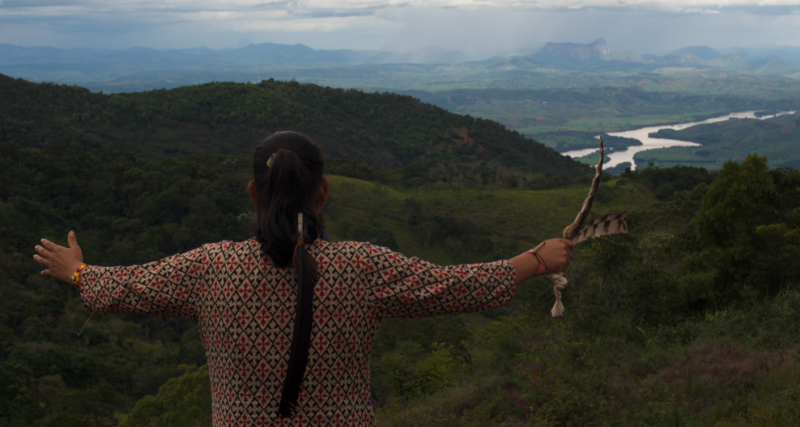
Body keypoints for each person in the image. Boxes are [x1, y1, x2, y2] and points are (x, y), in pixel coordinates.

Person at [33, 131, 573, 427]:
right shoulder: (364, 267)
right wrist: (537, 260)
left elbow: (125, 289)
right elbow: (453, 287)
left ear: (252, 194)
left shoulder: (209, 268)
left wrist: (76, 271)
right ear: (324, 193)